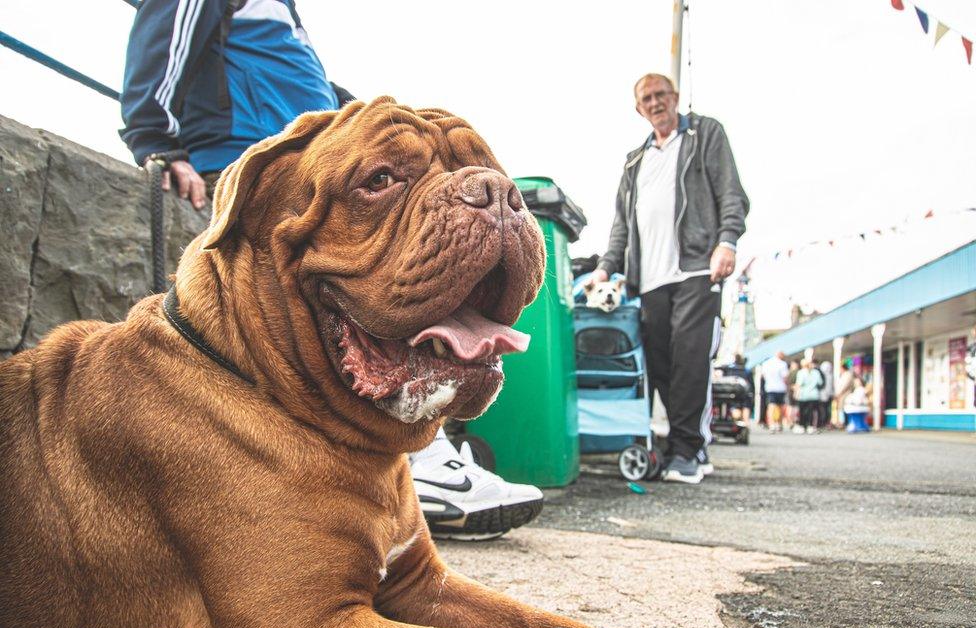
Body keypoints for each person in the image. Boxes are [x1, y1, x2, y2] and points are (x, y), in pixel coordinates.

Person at [118, 0, 542, 540]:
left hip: (324, 165)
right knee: (239, 344)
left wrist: (367, 126)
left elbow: (323, 95)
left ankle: (414, 469)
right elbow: (166, 36)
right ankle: (416, 472)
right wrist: (155, 139)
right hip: (254, 165)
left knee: (404, 310)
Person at [588, 73, 749, 484]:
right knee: (660, 365)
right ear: (638, 108)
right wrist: (605, 267)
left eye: (662, 94)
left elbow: (731, 192)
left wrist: (727, 241)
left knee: (689, 361)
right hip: (650, 279)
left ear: (675, 98)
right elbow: (621, 226)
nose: (656, 102)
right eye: (647, 98)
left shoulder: (704, 133)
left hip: (697, 268)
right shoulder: (634, 161)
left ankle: (686, 452)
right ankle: (686, 444)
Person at [761, 351, 789, 431]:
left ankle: (771, 423)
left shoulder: (766, 363)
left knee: (771, 406)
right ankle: (779, 423)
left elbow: (763, 376)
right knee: (780, 406)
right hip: (780, 388)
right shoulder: (782, 364)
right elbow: (785, 377)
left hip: (770, 388)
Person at [795, 359, 824, 434]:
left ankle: (802, 426)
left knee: (802, 411)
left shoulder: (801, 372)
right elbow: (820, 383)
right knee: (811, 411)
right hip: (814, 395)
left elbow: (799, 384)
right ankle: (810, 426)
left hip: (803, 395)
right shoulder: (816, 372)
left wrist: (796, 393)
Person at [818, 359, 834, 429]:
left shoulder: (822, 375)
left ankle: (824, 423)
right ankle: (825, 423)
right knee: (826, 410)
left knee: (824, 410)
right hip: (827, 395)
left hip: (823, 395)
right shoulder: (830, 376)